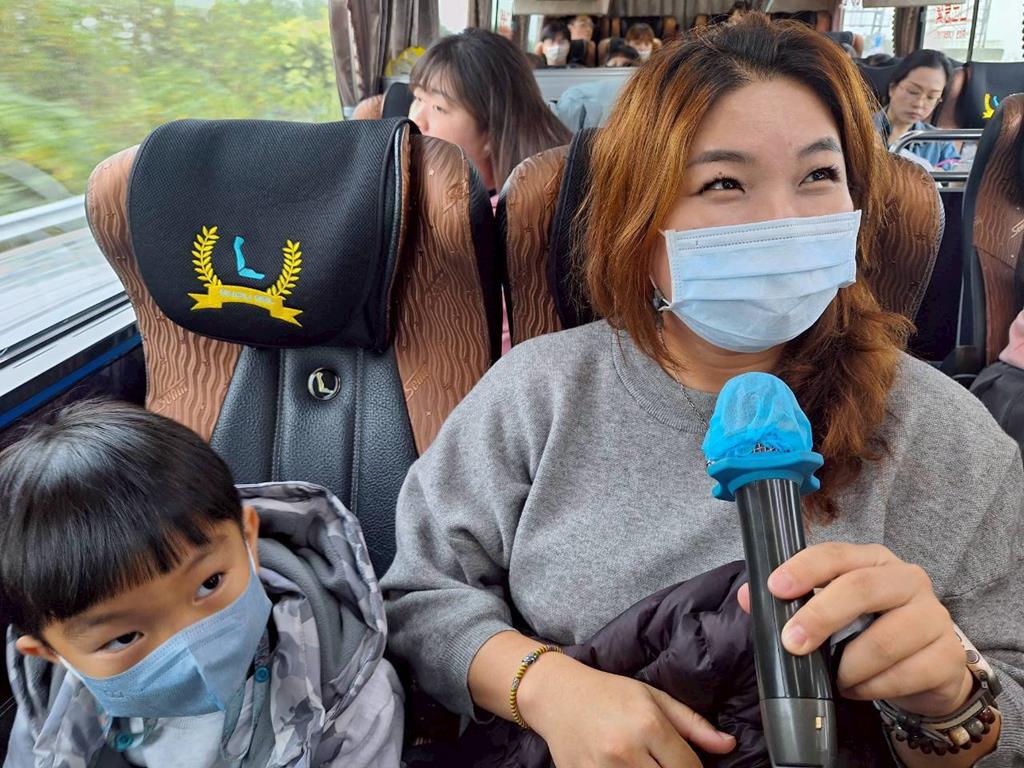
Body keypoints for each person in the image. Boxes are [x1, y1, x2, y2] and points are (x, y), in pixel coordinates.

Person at [383, 14, 1023, 768]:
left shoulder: (944, 428)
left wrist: (950, 705)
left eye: (819, 176)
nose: (781, 221)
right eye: (723, 183)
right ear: (640, 221)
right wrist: (546, 688)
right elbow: (420, 598)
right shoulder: (538, 394)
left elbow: (1011, 697)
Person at [1, 401, 403, 768]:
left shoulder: (351, 703)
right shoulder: (54, 707)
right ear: (51, 654)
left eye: (210, 583)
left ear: (248, 540)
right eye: (124, 638)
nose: (192, 650)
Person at [408, 28, 571, 354]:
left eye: (437, 107)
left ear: (491, 131)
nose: (416, 119)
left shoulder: (493, 225)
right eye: (417, 98)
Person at [875, 49, 960, 170]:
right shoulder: (856, 128)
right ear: (892, 88)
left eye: (931, 97)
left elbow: (956, 173)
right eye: (913, 92)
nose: (919, 103)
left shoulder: (940, 142)